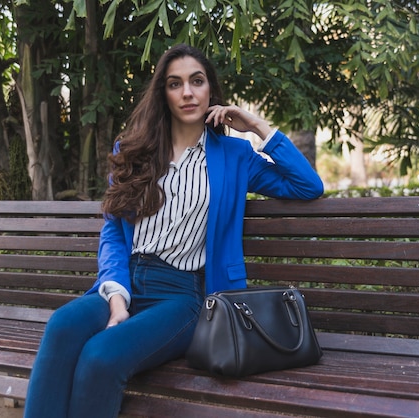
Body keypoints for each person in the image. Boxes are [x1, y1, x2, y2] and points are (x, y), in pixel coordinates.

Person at [23, 44, 323, 418]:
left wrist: (257, 127)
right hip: (125, 284)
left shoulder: (235, 155)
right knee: (62, 326)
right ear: (162, 93)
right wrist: (117, 298)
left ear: (210, 89)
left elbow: (307, 185)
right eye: (175, 83)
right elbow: (114, 232)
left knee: (100, 357)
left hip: (183, 298)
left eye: (197, 82)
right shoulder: (134, 150)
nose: (187, 92)